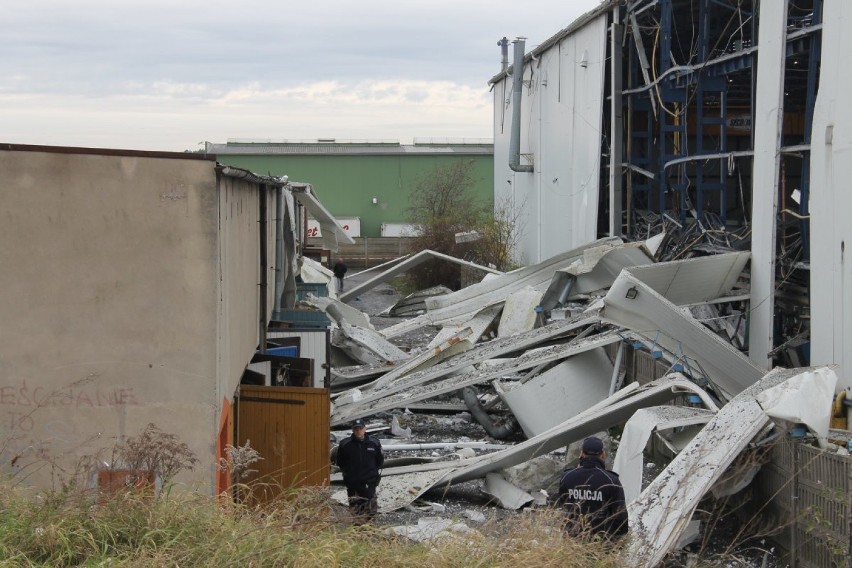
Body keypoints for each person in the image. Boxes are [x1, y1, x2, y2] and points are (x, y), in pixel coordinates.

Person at [558, 436, 628, 539]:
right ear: (602, 455)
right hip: (600, 542)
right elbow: (620, 516)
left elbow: (563, 504)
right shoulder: (611, 480)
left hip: (572, 540)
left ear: (581, 453)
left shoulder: (567, 477)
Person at [335, 418, 384, 522]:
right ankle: (357, 534)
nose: (358, 431)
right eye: (356, 429)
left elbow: (380, 461)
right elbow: (340, 462)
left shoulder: (374, 443)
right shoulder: (345, 444)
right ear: (353, 430)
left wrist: (371, 474)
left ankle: (370, 533)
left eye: (360, 428)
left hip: (369, 483)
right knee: (356, 512)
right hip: (353, 484)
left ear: (365, 429)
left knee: (371, 511)